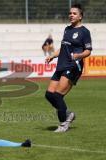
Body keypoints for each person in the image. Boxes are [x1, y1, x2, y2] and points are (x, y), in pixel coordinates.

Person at [45, 4, 92, 132]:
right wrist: (52, 56)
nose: (71, 15)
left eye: (74, 13)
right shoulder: (67, 29)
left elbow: (88, 51)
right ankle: (68, 114)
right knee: (49, 95)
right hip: (61, 65)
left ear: (80, 16)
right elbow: (63, 47)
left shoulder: (84, 32)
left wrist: (79, 55)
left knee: (58, 95)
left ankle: (63, 124)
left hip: (73, 66)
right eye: (70, 13)